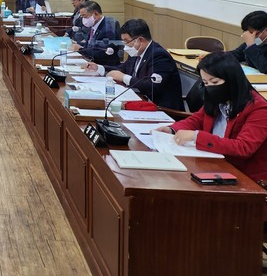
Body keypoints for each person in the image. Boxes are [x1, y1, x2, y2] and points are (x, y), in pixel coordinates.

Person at [155, 52, 267, 186]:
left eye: (214, 82)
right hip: (215, 164)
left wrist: (197, 136)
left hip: (245, 177)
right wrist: (172, 129)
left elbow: (243, 147)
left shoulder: (259, 108)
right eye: (205, 83)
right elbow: (197, 119)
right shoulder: (217, 98)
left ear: (231, 79)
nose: (210, 87)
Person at [85, 19, 183, 110]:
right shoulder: (137, 51)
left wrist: (124, 77)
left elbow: (152, 86)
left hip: (161, 109)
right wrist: (99, 68)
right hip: (139, 102)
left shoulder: (158, 55)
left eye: (127, 41)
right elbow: (122, 69)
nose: (125, 46)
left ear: (140, 40)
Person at [70, 0, 121, 66]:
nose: (83, 20)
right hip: (92, 63)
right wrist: (78, 44)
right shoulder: (94, 24)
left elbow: (102, 53)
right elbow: (91, 45)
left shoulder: (109, 27)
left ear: (95, 14)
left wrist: (80, 49)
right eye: (82, 17)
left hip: (105, 66)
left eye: (85, 16)